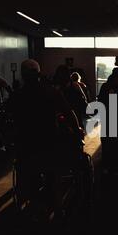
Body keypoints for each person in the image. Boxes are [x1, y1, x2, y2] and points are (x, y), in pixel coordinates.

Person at [10, 60, 82, 211]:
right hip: (49, 141)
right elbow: (69, 113)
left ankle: (30, 204)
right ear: (38, 73)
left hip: (26, 144)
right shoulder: (51, 92)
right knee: (53, 174)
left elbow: (12, 122)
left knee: (28, 175)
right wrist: (77, 130)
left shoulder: (18, 95)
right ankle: (58, 208)